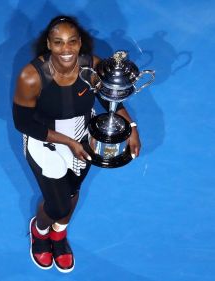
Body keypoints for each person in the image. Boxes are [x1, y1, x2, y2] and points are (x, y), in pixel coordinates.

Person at [13, 15, 141, 273]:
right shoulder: (31, 76)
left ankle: (58, 235)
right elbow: (24, 124)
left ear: (80, 43)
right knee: (58, 205)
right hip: (44, 139)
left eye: (72, 42)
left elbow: (108, 99)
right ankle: (40, 231)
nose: (66, 49)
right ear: (48, 44)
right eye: (58, 42)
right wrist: (69, 142)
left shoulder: (92, 66)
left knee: (72, 191)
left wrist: (131, 129)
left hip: (84, 135)